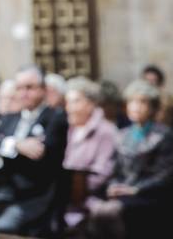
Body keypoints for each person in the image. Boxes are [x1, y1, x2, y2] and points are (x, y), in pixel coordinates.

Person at [0, 64, 69, 236]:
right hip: (3, 190)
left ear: (43, 89)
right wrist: (16, 145)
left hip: (35, 195)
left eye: (29, 87)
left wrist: (4, 146)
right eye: (20, 88)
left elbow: (40, 154)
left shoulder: (55, 117)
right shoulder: (10, 118)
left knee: (3, 227)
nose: (23, 93)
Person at [87, 80, 173, 239]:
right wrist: (113, 186)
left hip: (149, 194)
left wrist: (135, 189)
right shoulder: (122, 134)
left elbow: (164, 175)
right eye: (132, 101)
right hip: (123, 192)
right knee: (96, 209)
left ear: (153, 107)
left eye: (142, 102)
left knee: (111, 211)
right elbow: (115, 170)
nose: (136, 106)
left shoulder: (164, 134)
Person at [62, 76, 118, 230]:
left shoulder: (106, 131)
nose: (69, 108)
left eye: (76, 101)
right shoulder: (69, 128)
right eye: (67, 102)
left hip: (91, 199)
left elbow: (103, 172)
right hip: (66, 196)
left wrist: (69, 188)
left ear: (91, 103)